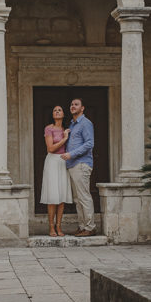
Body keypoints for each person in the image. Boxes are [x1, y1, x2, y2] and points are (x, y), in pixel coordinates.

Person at [61, 97, 96, 236]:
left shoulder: (86, 123)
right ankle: (82, 226)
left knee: (84, 197)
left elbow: (89, 144)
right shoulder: (72, 125)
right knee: (77, 199)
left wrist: (71, 154)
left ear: (82, 108)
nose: (73, 106)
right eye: (71, 104)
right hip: (72, 165)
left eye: (76, 104)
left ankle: (90, 227)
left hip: (81, 164)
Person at [39, 105, 72, 236]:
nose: (57, 111)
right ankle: (51, 227)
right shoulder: (49, 128)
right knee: (53, 196)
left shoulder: (67, 129)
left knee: (62, 196)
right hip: (52, 161)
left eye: (60, 110)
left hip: (63, 161)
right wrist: (64, 139)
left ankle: (59, 226)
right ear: (52, 114)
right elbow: (50, 148)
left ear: (63, 114)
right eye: (55, 110)